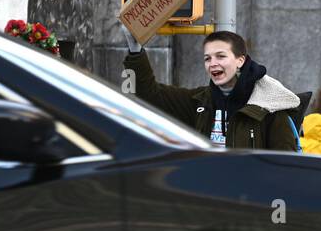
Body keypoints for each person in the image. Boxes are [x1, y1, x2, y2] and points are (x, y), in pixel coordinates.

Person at [122, 28, 303, 152]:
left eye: (221, 56)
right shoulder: (201, 102)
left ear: (240, 60)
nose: (212, 63)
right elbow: (151, 95)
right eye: (207, 59)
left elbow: (286, 169)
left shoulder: (270, 109)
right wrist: (135, 51)